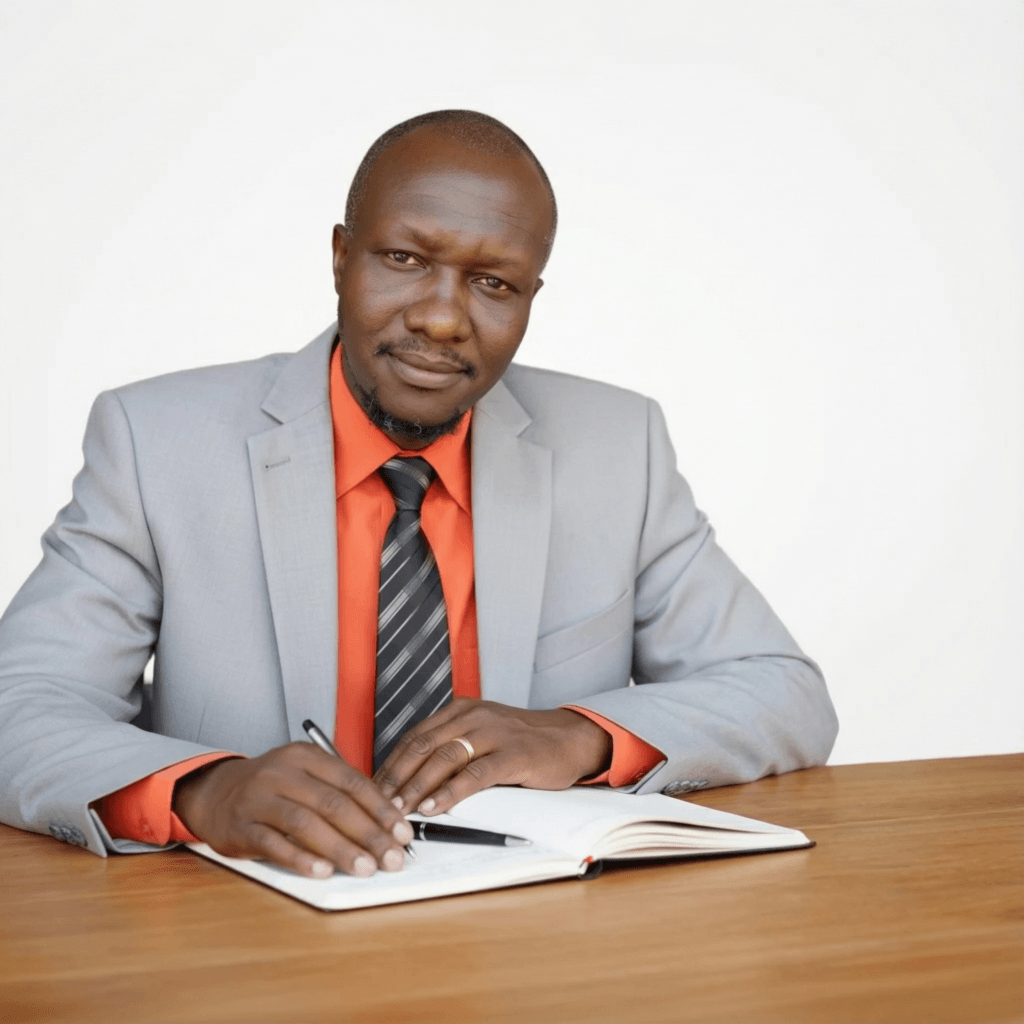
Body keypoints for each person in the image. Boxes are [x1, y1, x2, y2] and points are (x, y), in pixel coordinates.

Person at [0, 110, 838, 880]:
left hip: (533, 938)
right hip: (248, 935)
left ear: (531, 298)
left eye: (494, 283)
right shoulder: (157, 443)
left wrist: (578, 734)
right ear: (340, 256)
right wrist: (204, 792)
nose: (442, 318)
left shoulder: (619, 447)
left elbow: (783, 692)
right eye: (405, 259)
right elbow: (22, 706)